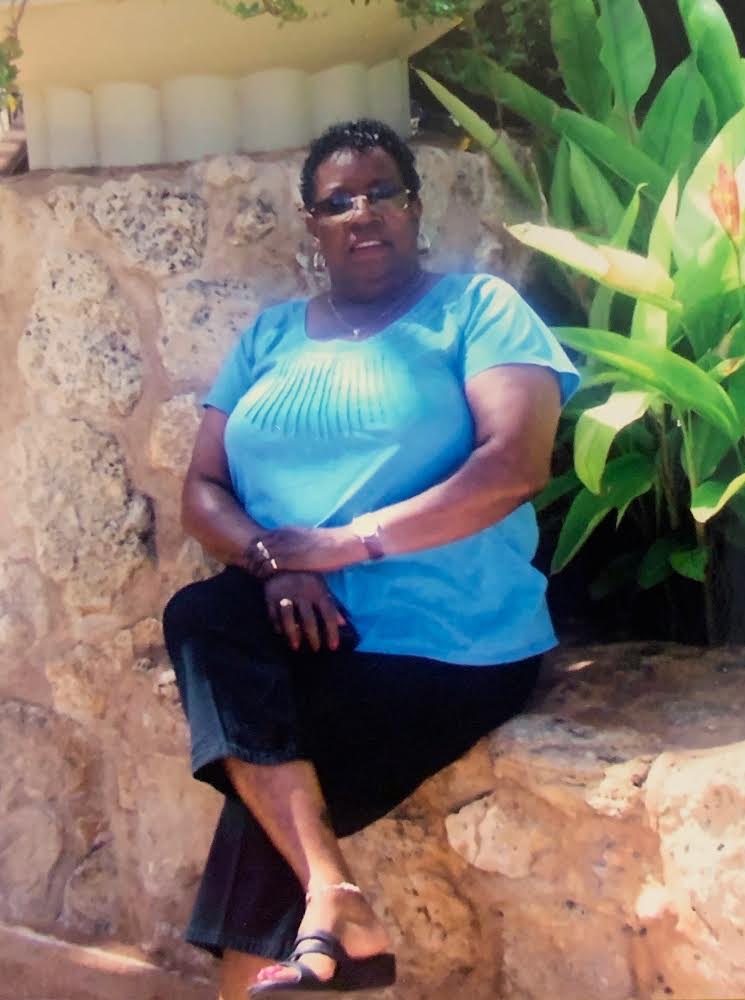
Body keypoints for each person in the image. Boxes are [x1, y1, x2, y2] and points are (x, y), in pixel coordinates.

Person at [163, 117, 578, 1000]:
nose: (364, 212)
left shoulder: (477, 311)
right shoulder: (270, 337)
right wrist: (276, 560)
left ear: (414, 206)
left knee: (270, 793)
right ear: (312, 225)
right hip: (301, 626)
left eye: (383, 191)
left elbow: (515, 465)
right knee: (201, 615)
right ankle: (334, 894)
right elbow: (202, 488)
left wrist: (344, 544)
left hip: (448, 642)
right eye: (339, 201)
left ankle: (324, 909)